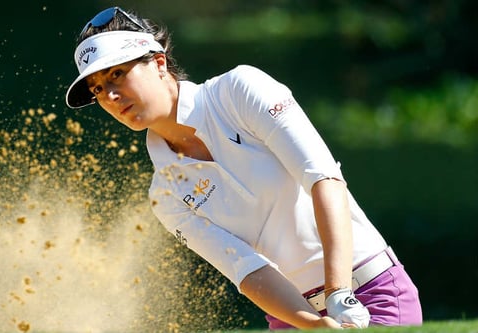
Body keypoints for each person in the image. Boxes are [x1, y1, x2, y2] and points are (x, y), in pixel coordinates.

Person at [64, 7, 423, 330]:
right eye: (97, 89)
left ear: (159, 64)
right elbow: (246, 269)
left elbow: (324, 178)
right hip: (292, 318)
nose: (109, 96)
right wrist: (315, 327)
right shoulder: (164, 194)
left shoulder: (239, 91)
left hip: (370, 290)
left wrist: (339, 294)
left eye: (116, 74)